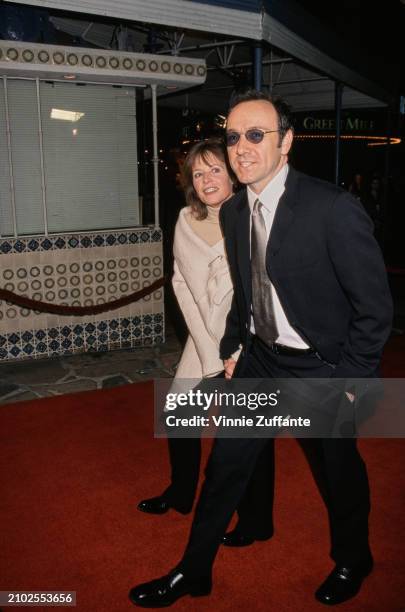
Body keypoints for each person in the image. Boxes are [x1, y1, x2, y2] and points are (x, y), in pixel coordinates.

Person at [129, 91, 393, 607]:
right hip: (262, 363)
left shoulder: (332, 208)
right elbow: (248, 296)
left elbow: (374, 309)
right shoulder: (233, 213)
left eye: (257, 135)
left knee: (337, 471)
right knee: (226, 465)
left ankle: (353, 558)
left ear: (286, 142)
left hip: (323, 369)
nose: (242, 147)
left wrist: (352, 380)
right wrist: (233, 344)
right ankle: (194, 571)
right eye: (233, 137)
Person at [137, 138, 274, 544]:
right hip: (202, 340)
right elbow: (181, 285)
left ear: (232, 174)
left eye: (215, 169)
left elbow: (261, 294)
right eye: (198, 173)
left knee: (249, 436)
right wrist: (207, 346)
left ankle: (256, 520)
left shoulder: (254, 219)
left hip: (245, 344)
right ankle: (181, 494)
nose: (206, 179)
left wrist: (234, 351)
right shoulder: (184, 220)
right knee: (179, 415)